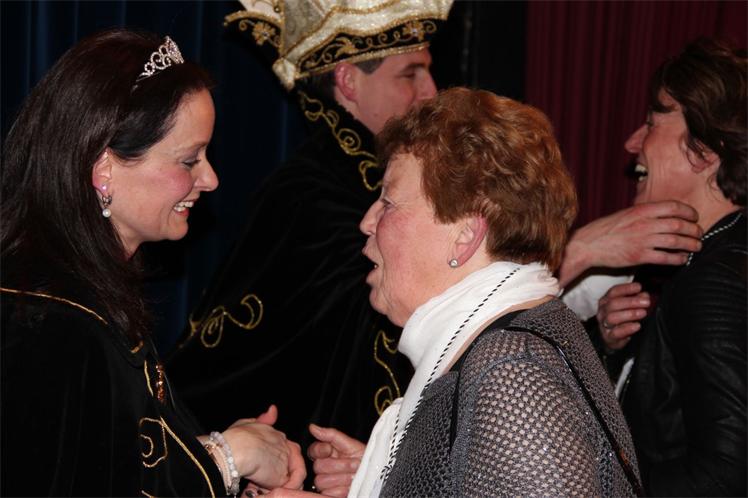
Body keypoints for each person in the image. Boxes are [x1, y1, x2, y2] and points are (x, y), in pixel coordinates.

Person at [269, 87, 643, 497]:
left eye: (388, 202)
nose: (367, 221)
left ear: (464, 235)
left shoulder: (511, 373)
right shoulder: (510, 341)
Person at [0, 28, 304, 496]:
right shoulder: (56, 323)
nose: (211, 179)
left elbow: (111, 456)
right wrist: (229, 456)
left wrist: (218, 455)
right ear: (104, 168)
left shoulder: (82, 294)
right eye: (189, 160)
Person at [167, 0, 453, 452]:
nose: (430, 92)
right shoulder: (309, 195)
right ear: (348, 81)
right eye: (410, 74)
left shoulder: (380, 184)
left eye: (427, 72)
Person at [594, 38, 746, 496]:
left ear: (704, 150)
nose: (632, 143)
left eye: (650, 122)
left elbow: (728, 476)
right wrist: (613, 347)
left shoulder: (715, 282)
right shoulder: (710, 259)